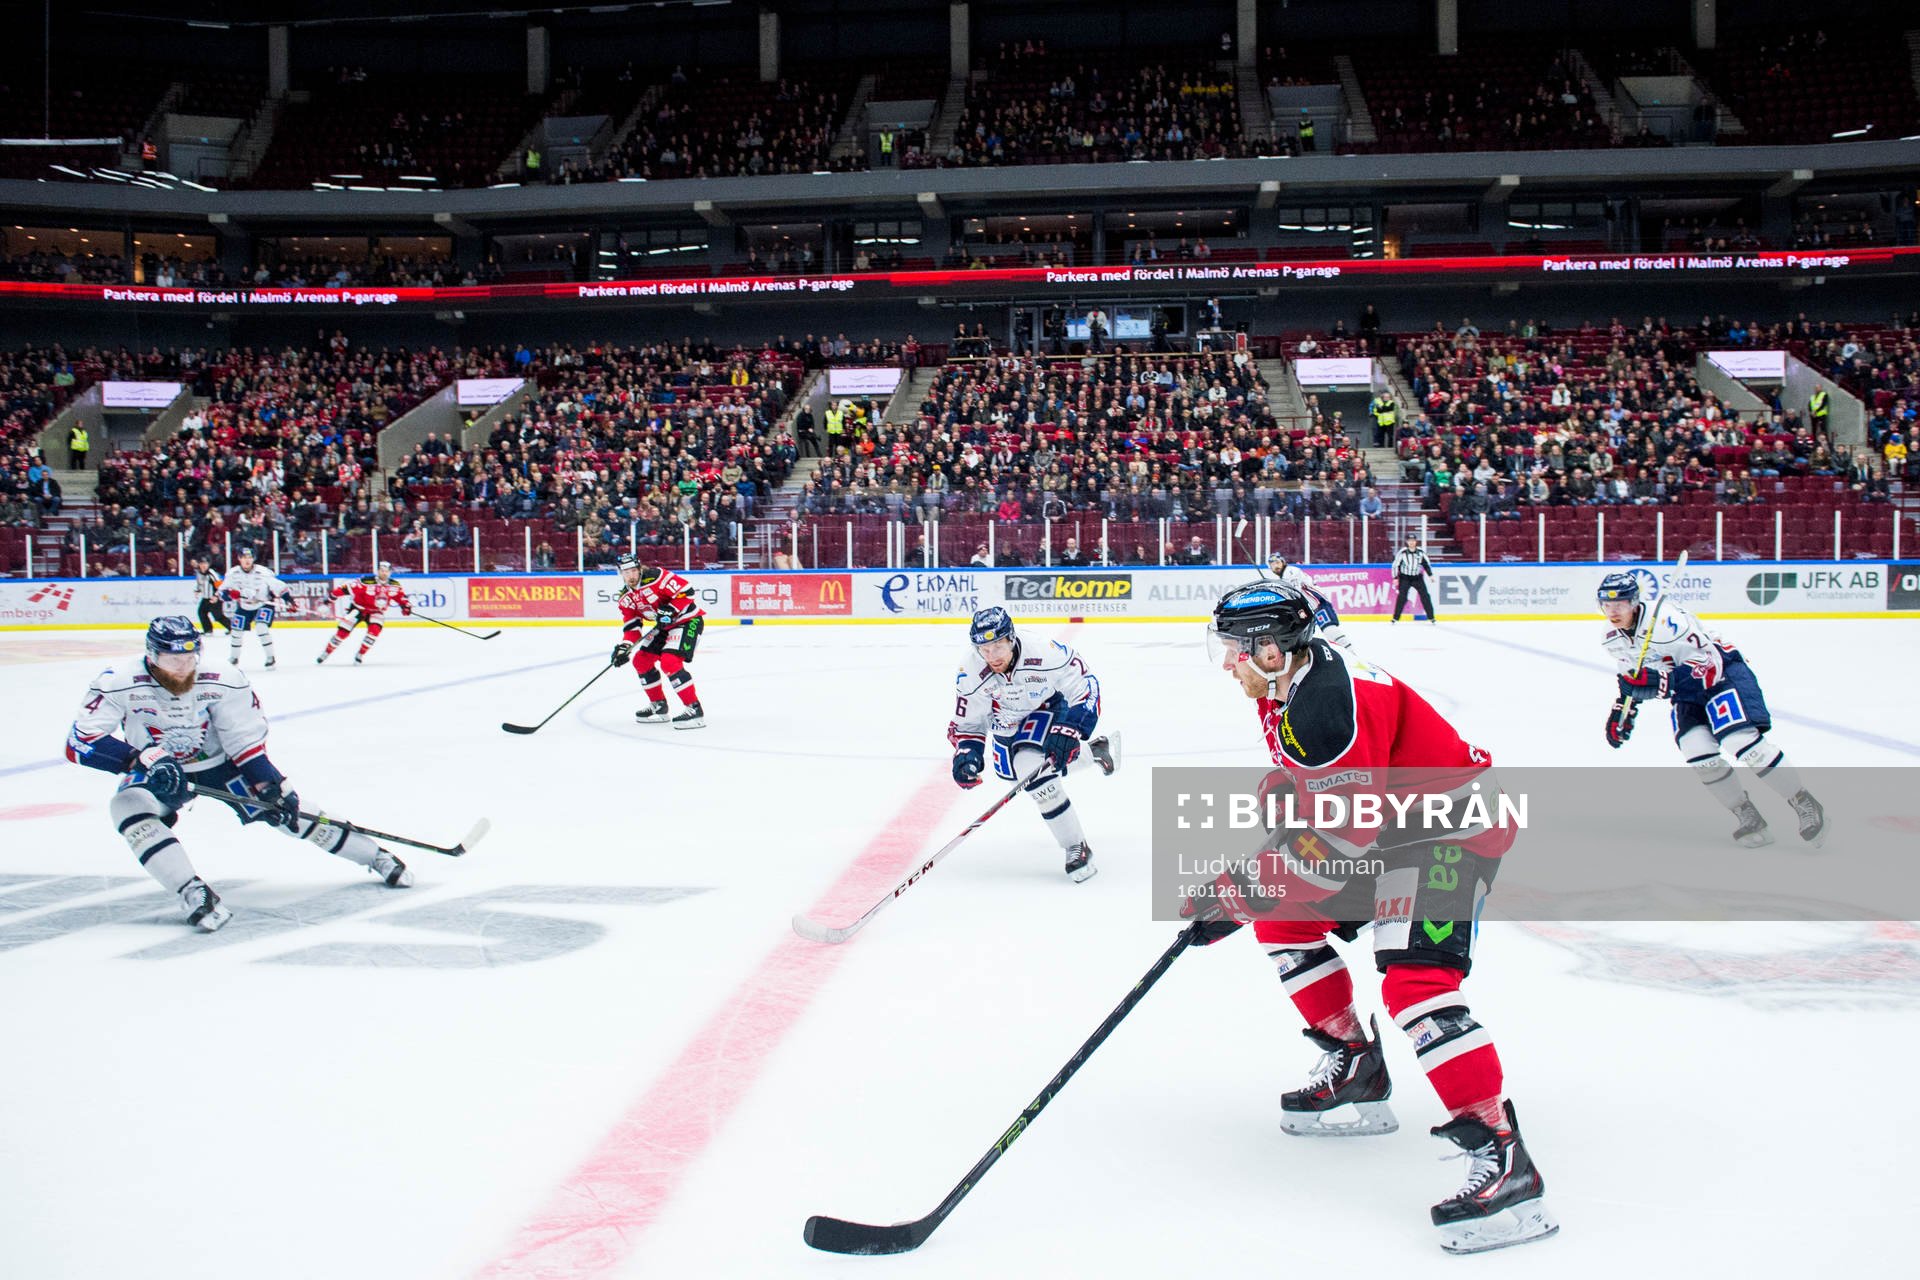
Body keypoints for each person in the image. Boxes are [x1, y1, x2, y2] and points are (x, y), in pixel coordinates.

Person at [1187, 582, 1554, 1255]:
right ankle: (1356, 1063)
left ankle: (1506, 1158)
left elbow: (1337, 847)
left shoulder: (1328, 707)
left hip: (1450, 832)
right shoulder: (1285, 684)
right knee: (1284, 922)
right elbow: (1322, 806)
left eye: (1237, 649)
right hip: (1389, 828)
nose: (1228, 663)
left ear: (1272, 649)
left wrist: (1240, 893)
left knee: (1417, 985)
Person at [65, 616, 412, 932]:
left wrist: (268, 782)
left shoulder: (223, 678)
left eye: (189, 658)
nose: (183, 668)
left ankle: (375, 856)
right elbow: (80, 741)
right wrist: (140, 759)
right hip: (156, 771)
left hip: (218, 766)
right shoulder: (118, 682)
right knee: (127, 807)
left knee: (287, 811)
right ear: (152, 655)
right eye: (173, 660)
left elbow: (243, 739)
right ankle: (192, 891)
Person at [1598, 573, 1825, 847]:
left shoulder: (1666, 621)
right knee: (1698, 753)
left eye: (1620, 604)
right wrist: (1623, 710)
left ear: (1634, 602)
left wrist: (1665, 682)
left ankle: (1803, 801)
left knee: (1741, 742)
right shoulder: (1611, 638)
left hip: (1723, 675)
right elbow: (1633, 677)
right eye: (1606, 605)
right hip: (1686, 689)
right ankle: (1747, 814)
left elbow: (1711, 661)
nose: (1612, 611)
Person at [948, 607, 1116, 881]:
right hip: (1007, 721)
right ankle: (1093, 752)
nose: (991, 655)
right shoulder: (970, 670)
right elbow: (969, 723)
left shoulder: (1043, 651)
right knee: (1017, 774)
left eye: (998, 646)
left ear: (1011, 638)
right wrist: (967, 754)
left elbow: (1086, 685)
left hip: (1048, 706)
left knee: (1031, 770)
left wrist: (1072, 727)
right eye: (984, 649)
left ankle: (1076, 846)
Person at [612, 555, 706, 728]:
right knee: (641, 660)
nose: (631, 576)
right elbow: (632, 626)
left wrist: (670, 609)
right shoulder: (625, 598)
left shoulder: (656, 577)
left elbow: (688, 591)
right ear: (620, 573)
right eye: (626, 572)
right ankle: (659, 706)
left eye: (633, 571)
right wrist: (625, 647)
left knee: (670, 662)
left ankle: (694, 709)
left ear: (639, 569)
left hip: (687, 620)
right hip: (664, 627)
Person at [319, 560, 412, 665]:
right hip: (357, 609)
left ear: (390, 572)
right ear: (378, 571)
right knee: (342, 633)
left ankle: (360, 654)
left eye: (387, 571)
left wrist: (406, 606)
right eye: (382, 570)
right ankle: (326, 652)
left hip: (376, 612)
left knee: (374, 632)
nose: (384, 573)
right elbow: (345, 589)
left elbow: (401, 598)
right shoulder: (365, 582)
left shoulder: (395, 585)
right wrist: (331, 598)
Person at [219, 546, 295, 667]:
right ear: (239, 558)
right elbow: (221, 592)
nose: (247, 560)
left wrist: (289, 600)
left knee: (261, 627)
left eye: (249, 557)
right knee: (236, 632)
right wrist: (229, 595)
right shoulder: (232, 574)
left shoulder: (263, 572)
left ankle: (270, 657)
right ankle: (234, 657)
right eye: (244, 557)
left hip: (263, 604)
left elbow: (278, 586)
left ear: (253, 558)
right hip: (244, 606)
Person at [1261, 553, 1350, 647]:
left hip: (1318, 603)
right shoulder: (1284, 576)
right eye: (1272, 564)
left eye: (1277, 562)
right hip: (1310, 608)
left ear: (1283, 562)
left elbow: (1293, 593)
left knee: (1330, 630)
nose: (1275, 566)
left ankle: (1350, 651)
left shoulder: (1290, 571)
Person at [1390, 537, 1436, 624]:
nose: (1411, 542)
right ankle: (1396, 618)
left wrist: (1430, 575)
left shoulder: (1420, 552)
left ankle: (1431, 617)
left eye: (1413, 541)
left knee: (1425, 596)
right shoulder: (1403, 552)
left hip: (1417, 578)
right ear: (1407, 542)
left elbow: (1426, 564)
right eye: (1409, 541)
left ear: (1416, 542)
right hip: (1405, 578)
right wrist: (1395, 577)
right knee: (1402, 597)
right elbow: (1396, 565)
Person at [190, 555, 228, 634]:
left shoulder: (211, 573)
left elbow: (220, 585)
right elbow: (200, 584)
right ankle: (208, 629)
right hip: (205, 598)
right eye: (201, 563)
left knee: (218, 616)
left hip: (215, 598)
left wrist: (216, 596)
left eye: (205, 563)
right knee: (201, 612)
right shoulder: (198, 573)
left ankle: (232, 628)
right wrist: (197, 591)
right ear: (199, 564)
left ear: (208, 564)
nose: (203, 565)